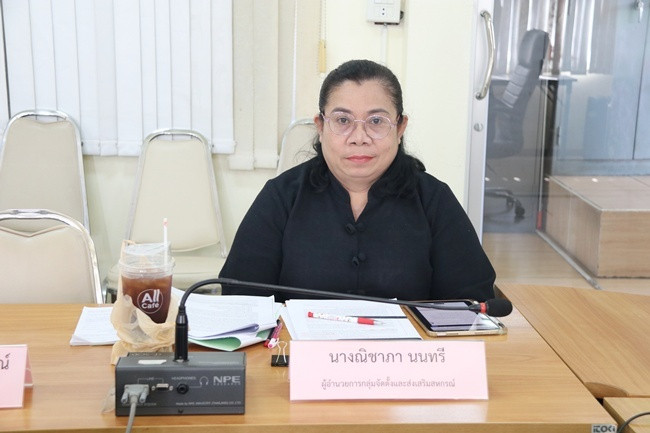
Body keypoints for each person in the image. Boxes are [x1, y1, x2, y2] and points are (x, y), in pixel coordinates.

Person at [219, 59, 495, 303]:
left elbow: (473, 302)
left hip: (408, 348)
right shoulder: (281, 197)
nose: (359, 137)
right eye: (343, 120)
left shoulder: (433, 199)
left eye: (376, 121)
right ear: (320, 126)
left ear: (400, 127)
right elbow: (240, 299)